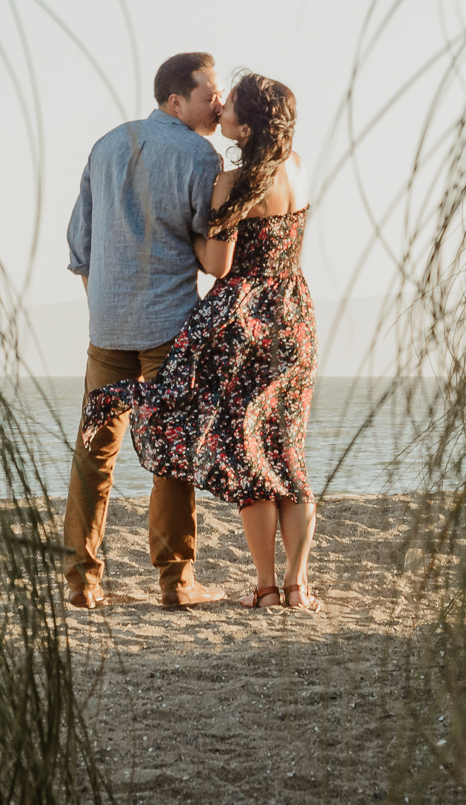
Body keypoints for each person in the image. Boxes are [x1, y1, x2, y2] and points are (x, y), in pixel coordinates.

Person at [80, 72, 321, 611]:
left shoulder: (232, 183)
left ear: (248, 121)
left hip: (242, 323)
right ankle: (297, 585)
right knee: (288, 450)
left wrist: (176, 230)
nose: (220, 108)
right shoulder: (299, 169)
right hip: (294, 316)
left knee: (247, 452)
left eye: (229, 102)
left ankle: (262, 586)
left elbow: (218, 264)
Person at [62, 51, 230, 609]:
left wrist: (106, 304)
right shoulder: (200, 156)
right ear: (176, 101)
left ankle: (82, 582)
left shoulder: (107, 144)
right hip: (168, 327)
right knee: (172, 453)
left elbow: (79, 244)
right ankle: (176, 582)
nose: (219, 102)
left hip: (106, 326)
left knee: (93, 451)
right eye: (210, 94)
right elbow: (211, 257)